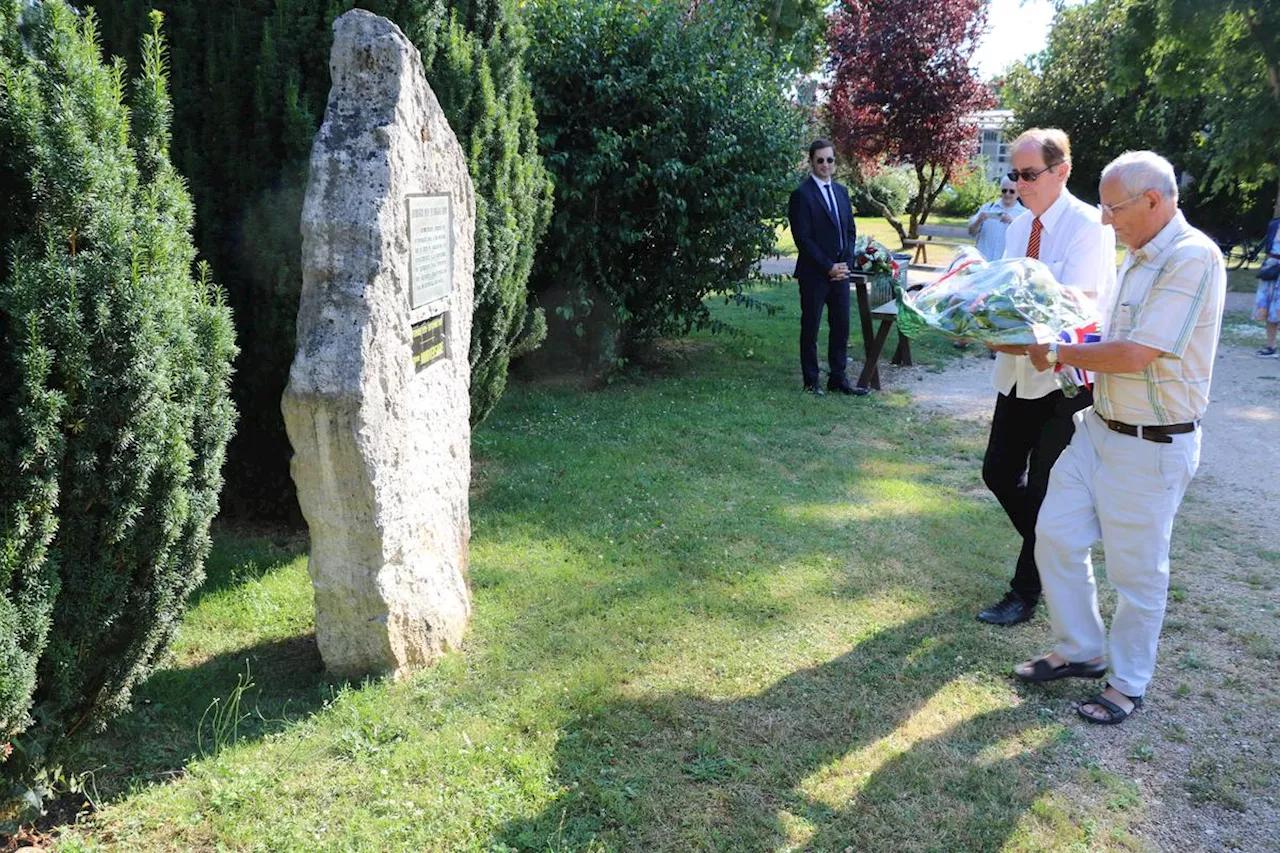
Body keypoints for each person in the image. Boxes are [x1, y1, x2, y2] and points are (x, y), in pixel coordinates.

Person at [1013, 150, 1226, 725]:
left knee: (1136, 573)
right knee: (1054, 535)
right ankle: (1081, 650)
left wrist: (1057, 352)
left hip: (1152, 443)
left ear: (1154, 201)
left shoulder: (1192, 258)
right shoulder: (1137, 255)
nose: (1106, 220)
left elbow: (1135, 353)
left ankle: (1128, 683)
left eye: (1114, 208)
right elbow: (1107, 335)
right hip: (1098, 428)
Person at [976, 128, 1117, 627]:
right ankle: (1054, 558)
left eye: (1029, 174)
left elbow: (1073, 307)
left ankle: (1025, 591)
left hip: (1064, 379)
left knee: (1042, 488)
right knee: (997, 471)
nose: (1019, 182)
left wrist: (1014, 331)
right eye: (1014, 173)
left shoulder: (1088, 227)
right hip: (1016, 371)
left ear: (1061, 171)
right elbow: (1008, 291)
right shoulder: (1018, 226)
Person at [788, 139, 862, 395]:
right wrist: (828, 266)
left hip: (840, 273)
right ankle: (811, 381)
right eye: (820, 160)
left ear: (835, 162)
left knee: (841, 327)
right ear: (812, 162)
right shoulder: (801, 195)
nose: (826, 165)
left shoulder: (841, 192)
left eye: (830, 160)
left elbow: (850, 232)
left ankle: (838, 379)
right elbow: (803, 239)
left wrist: (845, 264)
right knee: (811, 328)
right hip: (814, 275)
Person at [967, 177, 1026, 261]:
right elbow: (971, 232)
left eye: (1012, 191)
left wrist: (1013, 222)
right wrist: (978, 221)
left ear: (1019, 193)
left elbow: (1027, 239)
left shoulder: (1024, 214)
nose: (1007, 194)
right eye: (1004, 190)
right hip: (983, 263)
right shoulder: (987, 208)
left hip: (1006, 265)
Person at [1253, 215, 1280, 358]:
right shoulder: (1274, 224)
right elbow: (1268, 248)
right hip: (1272, 267)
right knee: (1269, 308)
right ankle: (1271, 345)